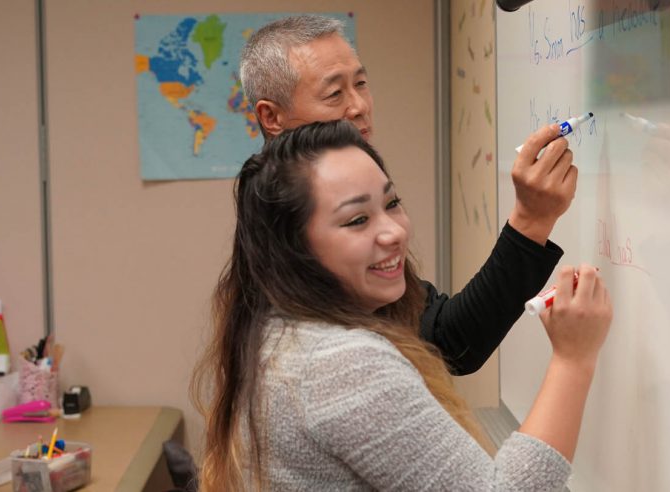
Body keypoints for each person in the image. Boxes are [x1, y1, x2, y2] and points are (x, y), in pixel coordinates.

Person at [193, 120, 612, 490]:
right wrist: (572, 360)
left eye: (391, 203)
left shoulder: (276, 327)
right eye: (357, 220)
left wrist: (532, 222)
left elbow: (449, 337)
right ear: (294, 249)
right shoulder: (339, 363)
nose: (393, 231)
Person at [238, 15, 577, 375]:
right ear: (271, 116)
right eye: (335, 93)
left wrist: (532, 220)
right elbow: (447, 343)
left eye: (362, 83)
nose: (359, 106)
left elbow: (441, 338)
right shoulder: (333, 359)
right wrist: (573, 361)